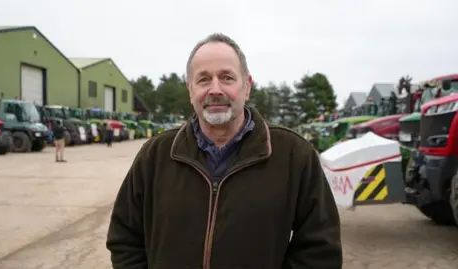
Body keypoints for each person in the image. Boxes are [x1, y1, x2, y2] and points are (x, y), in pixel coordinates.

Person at [106, 33, 342, 269]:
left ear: (247, 86)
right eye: (204, 79)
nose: (215, 89)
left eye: (227, 77)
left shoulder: (295, 156)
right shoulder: (155, 156)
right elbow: (124, 238)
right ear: (190, 90)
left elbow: (320, 250)